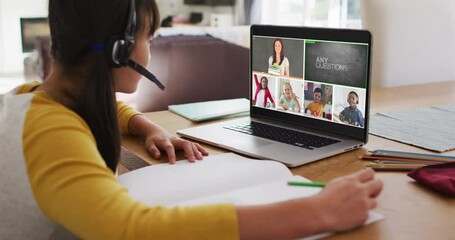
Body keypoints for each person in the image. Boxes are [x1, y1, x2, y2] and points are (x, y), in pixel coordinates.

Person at [0, 0, 382, 239]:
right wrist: (317, 211)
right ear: (119, 50)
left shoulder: (34, 101)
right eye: (150, 38)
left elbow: (93, 107)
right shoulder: (52, 132)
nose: (149, 49)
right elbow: (130, 230)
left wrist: (144, 124)